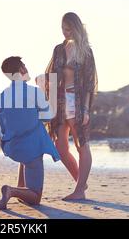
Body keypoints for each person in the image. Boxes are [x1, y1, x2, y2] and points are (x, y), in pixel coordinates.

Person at [0, 56, 60, 210]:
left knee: (26, 153)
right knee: (35, 197)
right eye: (24, 65)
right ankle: (12, 191)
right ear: (22, 69)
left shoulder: (1, 97)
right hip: (32, 148)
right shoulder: (34, 92)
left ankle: (20, 188)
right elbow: (49, 115)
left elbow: (3, 127)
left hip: (13, 148)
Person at [44, 12, 98, 200]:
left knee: (82, 144)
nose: (65, 33)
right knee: (60, 148)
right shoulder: (58, 49)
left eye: (69, 29)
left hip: (76, 101)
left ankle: (80, 190)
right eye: (63, 29)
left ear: (76, 28)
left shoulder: (86, 51)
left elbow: (90, 82)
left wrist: (85, 109)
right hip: (59, 102)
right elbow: (50, 75)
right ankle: (80, 181)